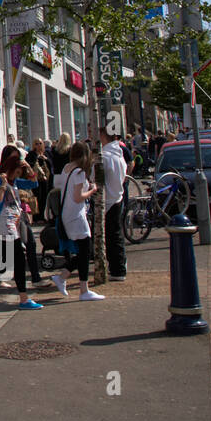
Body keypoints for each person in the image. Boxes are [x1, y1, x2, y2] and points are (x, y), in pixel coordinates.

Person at [0, 147, 43, 309]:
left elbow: (34, 183)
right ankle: (24, 299)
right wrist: (4, 186)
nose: (19, 171)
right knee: (18, 259)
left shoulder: (16, 181)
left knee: (3, 261)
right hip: (4, 224)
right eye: (16, 161)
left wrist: (28, 167)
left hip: (16, 223)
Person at [51, 143, 103, 301]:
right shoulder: (79, 172)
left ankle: (67, 279)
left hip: (67, 213)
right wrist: (93, 190)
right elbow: (78, 196)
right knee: (85, 251)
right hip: (76, 214)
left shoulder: (67, 167)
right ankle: (82, 289)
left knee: (83, 251)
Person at [100, 129, 128, 282]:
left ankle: (118, 269)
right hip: (117, 196)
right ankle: (119, 265)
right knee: (116, 233)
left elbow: (96, 177)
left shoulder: (105, 157)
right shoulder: (118, 155)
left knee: (112, 235)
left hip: (110, 199)